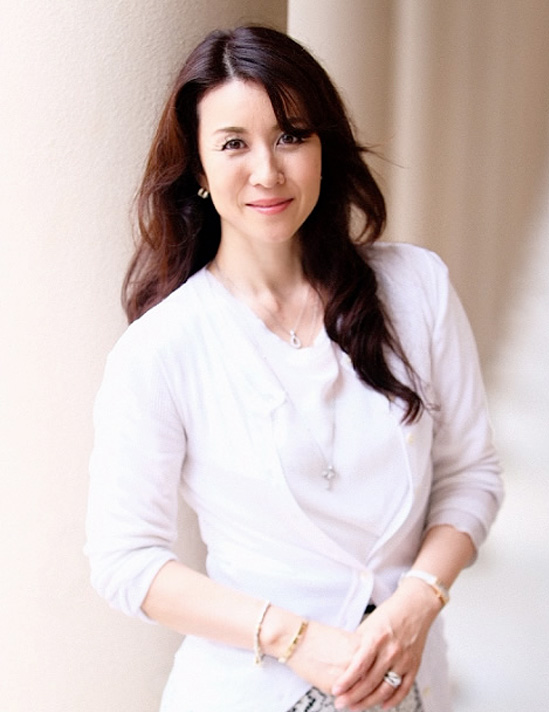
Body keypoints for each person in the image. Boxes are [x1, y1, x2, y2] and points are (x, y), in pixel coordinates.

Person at [85, 25, 503, 712]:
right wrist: (291, 637)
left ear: (323, 147)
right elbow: (124, 559)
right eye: (233, 144)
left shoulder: (416, 289)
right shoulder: (162, 349)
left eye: (290, 136)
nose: (267, 172)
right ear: (198, 168)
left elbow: (471, 474)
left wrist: (417, 603)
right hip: (243, 694)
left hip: (412, 689)